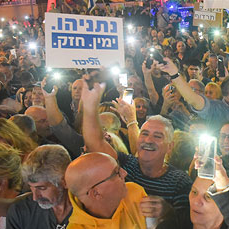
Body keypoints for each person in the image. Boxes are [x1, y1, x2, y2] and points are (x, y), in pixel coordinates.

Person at [80, 75, 192, 214]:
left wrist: (167, 211)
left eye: (157, 136)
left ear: (170, 146)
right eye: (144, 134)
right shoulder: (126, 165)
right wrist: (90, 106)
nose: (148, 140)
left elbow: (187, 226)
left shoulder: (180, 182)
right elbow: (95, 143)